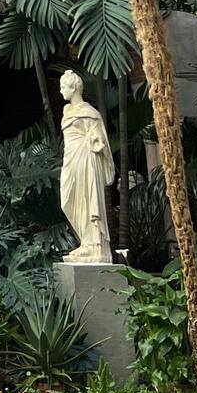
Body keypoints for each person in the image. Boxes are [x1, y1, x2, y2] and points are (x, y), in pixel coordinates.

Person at [58, 69, 115, 264]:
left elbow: (101, 141)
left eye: (63, 87)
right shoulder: (67, 111)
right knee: (68, 200)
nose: (61, 91)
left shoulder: (90, 113)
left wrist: (94, 140)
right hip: (71, 159)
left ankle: (94, 246)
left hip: (86, 159)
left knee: (88, 198)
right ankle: (85, 241)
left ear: (74, 88)